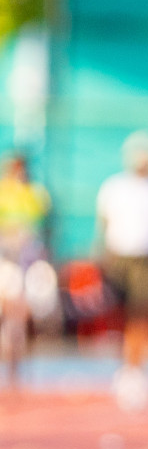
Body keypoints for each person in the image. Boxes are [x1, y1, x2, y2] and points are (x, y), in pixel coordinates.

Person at [96, 131, 148, 411]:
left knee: (141, 315)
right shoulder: (114, 187)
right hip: (119, 258)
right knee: (119, 316)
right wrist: (102, 260)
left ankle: (138, 371)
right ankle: (126, 367)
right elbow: (104, 226)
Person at [0, 153, 50, 387]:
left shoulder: (36, 194)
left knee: (24, 313)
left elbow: (44, 227)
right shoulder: (3, 192)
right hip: (6, 260)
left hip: (28, 261)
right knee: (7, 308)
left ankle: (17, 366)